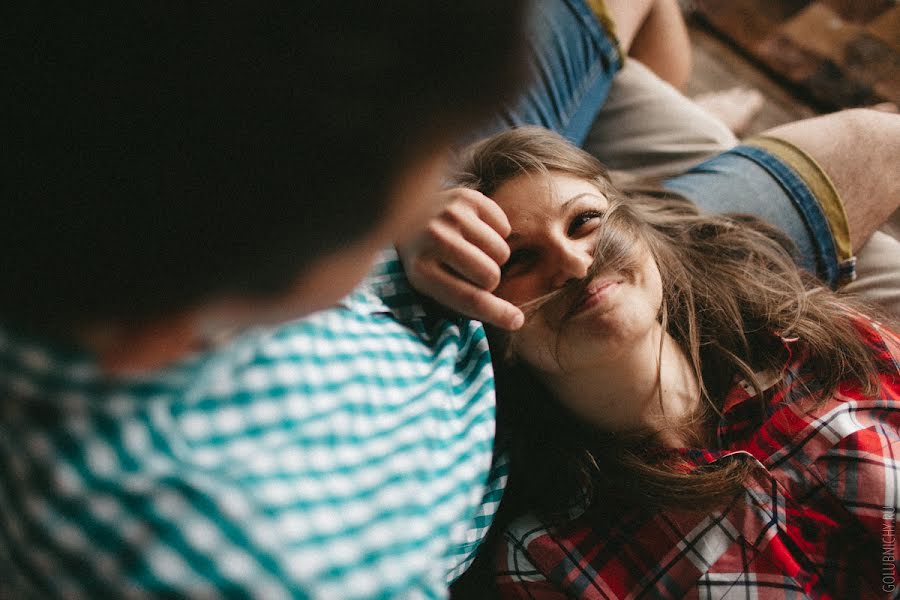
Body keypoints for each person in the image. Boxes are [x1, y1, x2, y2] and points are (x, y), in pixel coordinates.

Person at [1, 1, 897, 598]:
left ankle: (679, 106)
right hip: (548, 379)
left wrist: (412, 229)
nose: (451, 181)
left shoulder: (120, 205)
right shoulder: (263, 565)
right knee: (866, 141)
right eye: (416, 169)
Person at [446, 126, 899, 598]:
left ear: (642, 234)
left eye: (583, 222)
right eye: (519, 260)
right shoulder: (546, 560)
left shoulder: (837, 348)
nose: (575, 264)